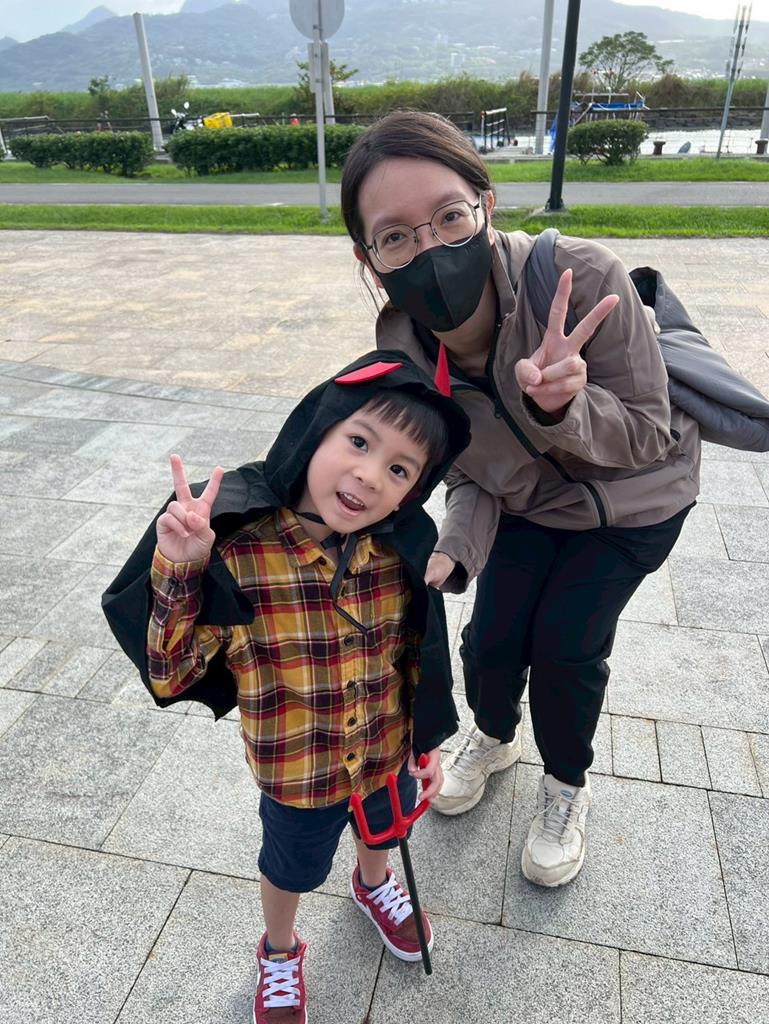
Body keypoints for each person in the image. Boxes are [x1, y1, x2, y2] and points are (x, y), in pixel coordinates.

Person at [340, 110, 699, 888]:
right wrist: (452, 548)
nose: (429, 248)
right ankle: (496, 736)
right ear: (368, 258)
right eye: (395, 236)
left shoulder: (579, 278)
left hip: (636, 503)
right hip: (530, 504)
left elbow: (648, 433)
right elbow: (470, 470)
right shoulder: (402, 353)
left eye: (449, 217)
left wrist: (561, 407)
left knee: (566, 648)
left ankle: (566, 786)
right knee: (491, 639)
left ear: (486, 204)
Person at [102, 352, 469, 1024]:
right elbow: (171, 671)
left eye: (400, 470)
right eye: (358, 442)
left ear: (412, 493)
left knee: (382, 829)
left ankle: (373, 884)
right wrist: (181, 569)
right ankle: (278, 948)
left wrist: (427, 741)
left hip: (384, 749)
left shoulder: (398, 551)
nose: (369, 475)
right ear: (316, 432)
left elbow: (419, 655)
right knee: (290, 866)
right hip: (299, 771)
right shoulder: (241, 552)